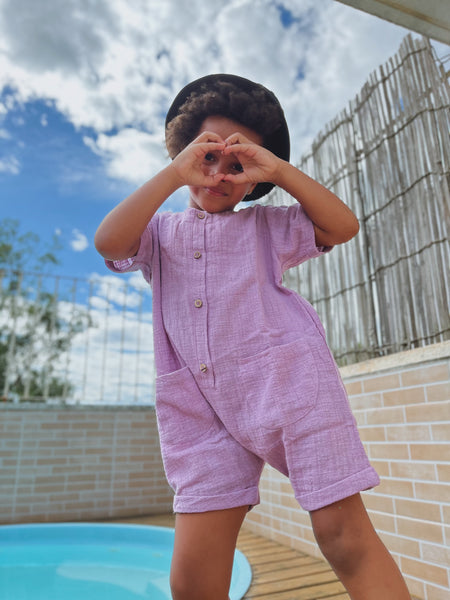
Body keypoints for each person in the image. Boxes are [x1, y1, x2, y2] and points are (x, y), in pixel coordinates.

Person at [95, 74, 411, 600]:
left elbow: (343, 226)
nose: (219, 174)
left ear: (255, 175)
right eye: (207, 157)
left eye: (238, 165)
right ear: (183, 156)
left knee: (343, 536)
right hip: (199, 410)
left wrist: (279, 172)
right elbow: (109, 241)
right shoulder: (158, 235)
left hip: (290, 387)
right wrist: (174, 173)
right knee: (193, 575)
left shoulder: (267, 226)